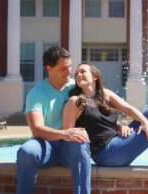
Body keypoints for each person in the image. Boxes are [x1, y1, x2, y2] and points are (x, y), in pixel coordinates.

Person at [16, 47, 91, 194]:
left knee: (80, 145)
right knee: (26, 151)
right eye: (64, 68)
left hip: (69, 145)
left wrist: (117, 125)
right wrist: (63, 134)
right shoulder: (37, 93)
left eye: (70, 66)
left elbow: (99, 105)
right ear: (49, 68)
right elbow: (36, 128)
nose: (69, 72)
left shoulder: (75, 86)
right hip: (44, 144)